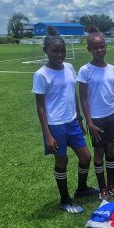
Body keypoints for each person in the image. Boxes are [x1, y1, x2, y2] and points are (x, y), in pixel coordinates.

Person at [32, 26, 94, 214]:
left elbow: (72, 94)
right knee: (62, 161)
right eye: (55, 51)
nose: (60, 54)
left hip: (72, 122)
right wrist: (48, 134)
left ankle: (82, 189)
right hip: (55, 125)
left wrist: (79, 118)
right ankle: (65, 199)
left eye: (63, 51)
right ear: (46, 51)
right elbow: (40, 107)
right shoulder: (41, 74)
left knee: (86, 157)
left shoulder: (68, 67)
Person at [77, 26, 114, 201]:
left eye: (102, 46)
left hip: (112, 117)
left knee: (110, 150)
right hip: (95, 119)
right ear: (89, 49)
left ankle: (111, 185)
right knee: (99, 153)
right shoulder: (85, 70)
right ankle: (102, 188)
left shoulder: (112, 69)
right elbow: (83, 99)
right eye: (95, 47)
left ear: (106, 46)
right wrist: (89, 122)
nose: (99, 50)